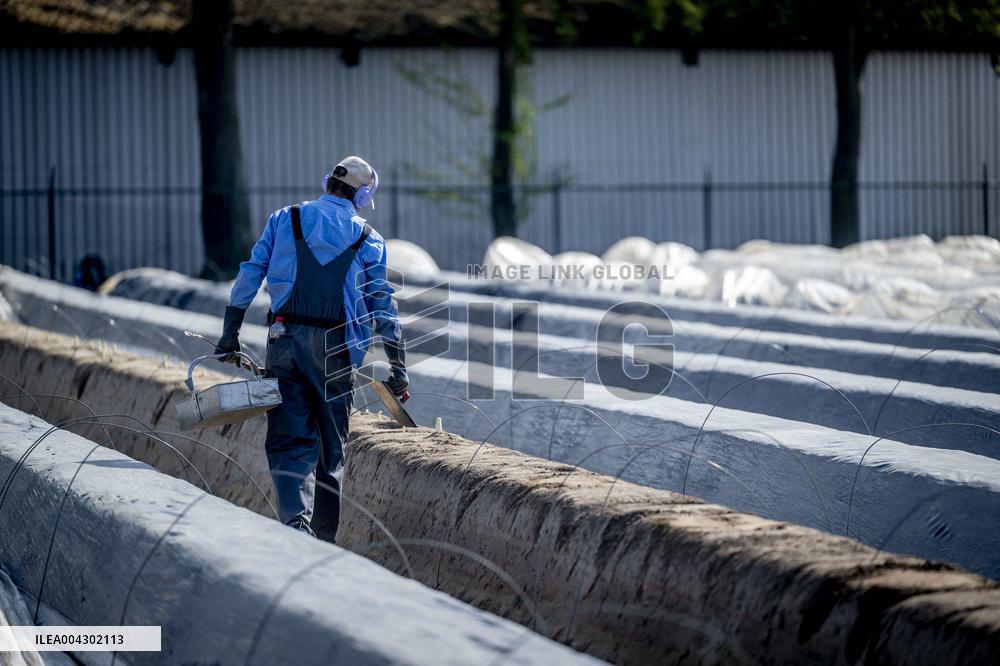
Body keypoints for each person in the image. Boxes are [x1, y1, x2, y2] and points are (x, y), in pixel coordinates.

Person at [214, 156, 408, 540]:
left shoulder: (285, 219)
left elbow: (250, 272)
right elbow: (382, 305)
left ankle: (294, 525)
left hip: (284, 343)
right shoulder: (368, 239)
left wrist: (229, 332)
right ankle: (323, 541)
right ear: (364, 194)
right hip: (336, 354)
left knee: (289, 439)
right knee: (331, 449)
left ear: (327, 184)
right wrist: (398, 367)